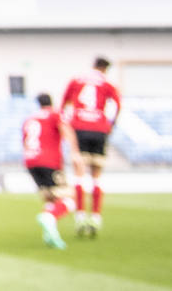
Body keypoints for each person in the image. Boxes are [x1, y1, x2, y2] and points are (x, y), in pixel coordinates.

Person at [62, 55, 122, 237]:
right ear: (105, 69)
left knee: (79, 175)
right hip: (99, 129)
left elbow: (65, 105)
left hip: (80, 127)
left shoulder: (77, 80)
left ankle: (80, 216)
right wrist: (110, 124)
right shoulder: (107, 83)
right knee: (96, 176)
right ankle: (96, 217)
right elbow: (117, 104)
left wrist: (69, 128)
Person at [23, 92, 81, 249]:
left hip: (31, 161)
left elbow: (26, 141)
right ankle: (49, 218)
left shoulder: (30, 119)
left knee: (50, 199)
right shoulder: (55, 114)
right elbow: (66, 130)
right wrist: (75, 152)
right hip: (49, 161)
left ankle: (50, 235)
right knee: (69, 199)